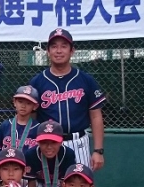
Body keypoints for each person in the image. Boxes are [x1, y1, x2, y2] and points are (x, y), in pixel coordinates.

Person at [29, 28, 105, 171]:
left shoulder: (86, 80)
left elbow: (96, 116)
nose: (59, 51)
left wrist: (98, 150)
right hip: (47, 144)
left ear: (72, 51)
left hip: (78, 143)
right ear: (48, 51)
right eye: (54, 46)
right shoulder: (37, 82)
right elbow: (31, 119)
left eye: (64, 46)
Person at [0, 85, 40, 153]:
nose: (23, 106)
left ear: (35, 106)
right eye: (20, 102)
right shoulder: (6, 125)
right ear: (14, 102)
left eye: (28, 103)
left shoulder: (38, 128)